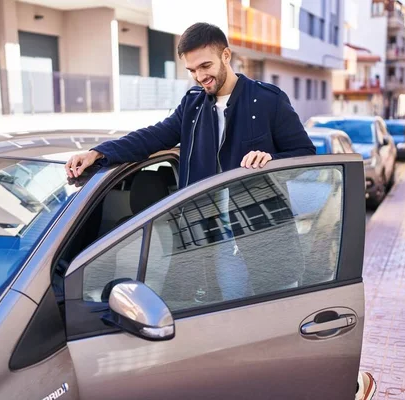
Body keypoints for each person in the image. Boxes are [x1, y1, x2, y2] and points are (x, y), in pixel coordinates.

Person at [65, 21, 375, 400]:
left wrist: (272, 158)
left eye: (206, 67)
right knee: (220, 340)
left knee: (268, 337)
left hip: (261, 238)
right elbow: (152, 137)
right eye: (192, 71)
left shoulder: (268, 100)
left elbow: (305, 156)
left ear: (226, 56)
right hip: (203, 244)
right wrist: (100, 152)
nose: (200, 77)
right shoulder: (192, 106)